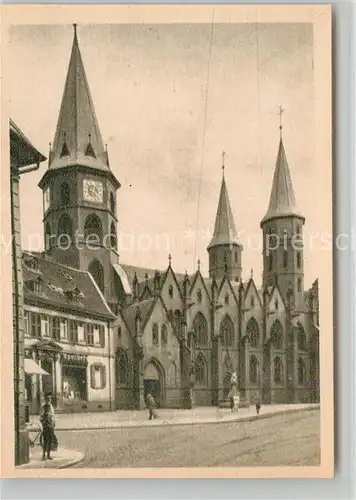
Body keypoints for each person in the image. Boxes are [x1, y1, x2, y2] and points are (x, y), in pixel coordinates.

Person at [39, 395, 56, 460]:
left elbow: (53, 415)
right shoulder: (43, 406)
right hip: (45, 425)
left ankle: (48, 455)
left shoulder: (51, 406)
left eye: (50, 399)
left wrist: (54, 422)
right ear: (45, 399)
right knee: (45, 440)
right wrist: (44, 416)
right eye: (48, 399)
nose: (49, 400)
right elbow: (40, 416)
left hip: (50, 425)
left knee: (50, 440)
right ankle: (43, 455)